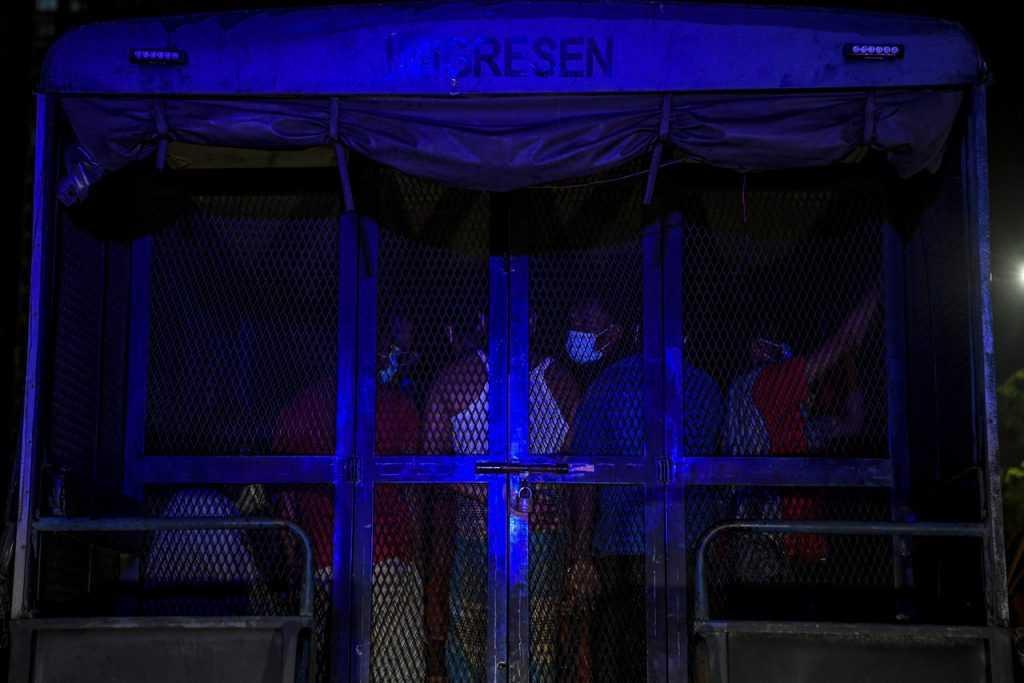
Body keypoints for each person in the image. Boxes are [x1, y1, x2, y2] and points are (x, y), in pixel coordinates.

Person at [423, 310, 579, 683]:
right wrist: (508, 498)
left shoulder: (556, 381)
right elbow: (432, 465)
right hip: (506, 533)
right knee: (522, 648)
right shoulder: (461, 379)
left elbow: (433, 463)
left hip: (515, 535)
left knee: (498, 649)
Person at [273, 316, 425, 682]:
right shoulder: (395, 405)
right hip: (388, 555)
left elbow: (285, 500)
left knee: (331, 664)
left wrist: (295, 562)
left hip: (323, 558)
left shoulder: (302, 406)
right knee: (391, 668)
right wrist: (417, 553)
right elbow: (412, 490)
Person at [571, 325, 722, 682]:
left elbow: (585, 473)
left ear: (637, 334)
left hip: (623, 540)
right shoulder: (704, 386)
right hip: (688, 541)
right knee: (679, 648)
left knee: (619, 651)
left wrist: (581, 549)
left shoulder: (610, 383)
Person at [722, 285, 879, 591]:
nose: (784, 352)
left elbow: (851, 425)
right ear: (758, 347)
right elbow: (843, 342)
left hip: (783, 537)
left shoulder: (775, 406)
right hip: (768, 536)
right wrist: (874, 293)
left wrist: (848, 365)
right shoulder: (767, 384)